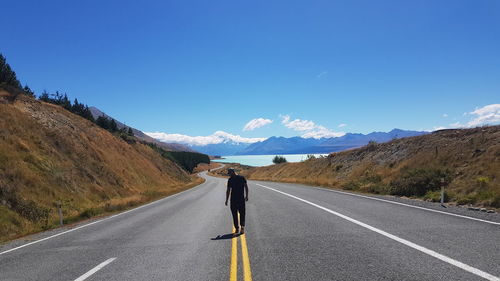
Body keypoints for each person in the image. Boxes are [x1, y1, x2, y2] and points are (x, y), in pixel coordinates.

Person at [225, 168, 249, 234]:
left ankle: (240, 228)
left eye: (229, 173)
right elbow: (246, 187)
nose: (229, 175)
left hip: (235, 199)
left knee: (236, 214)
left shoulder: (232, 179)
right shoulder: (241, 178)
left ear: (233, 172)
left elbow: (228, 191)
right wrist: (246, 196)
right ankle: (240, 228)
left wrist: (227, 200)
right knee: (240, 214)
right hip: (238, 199)